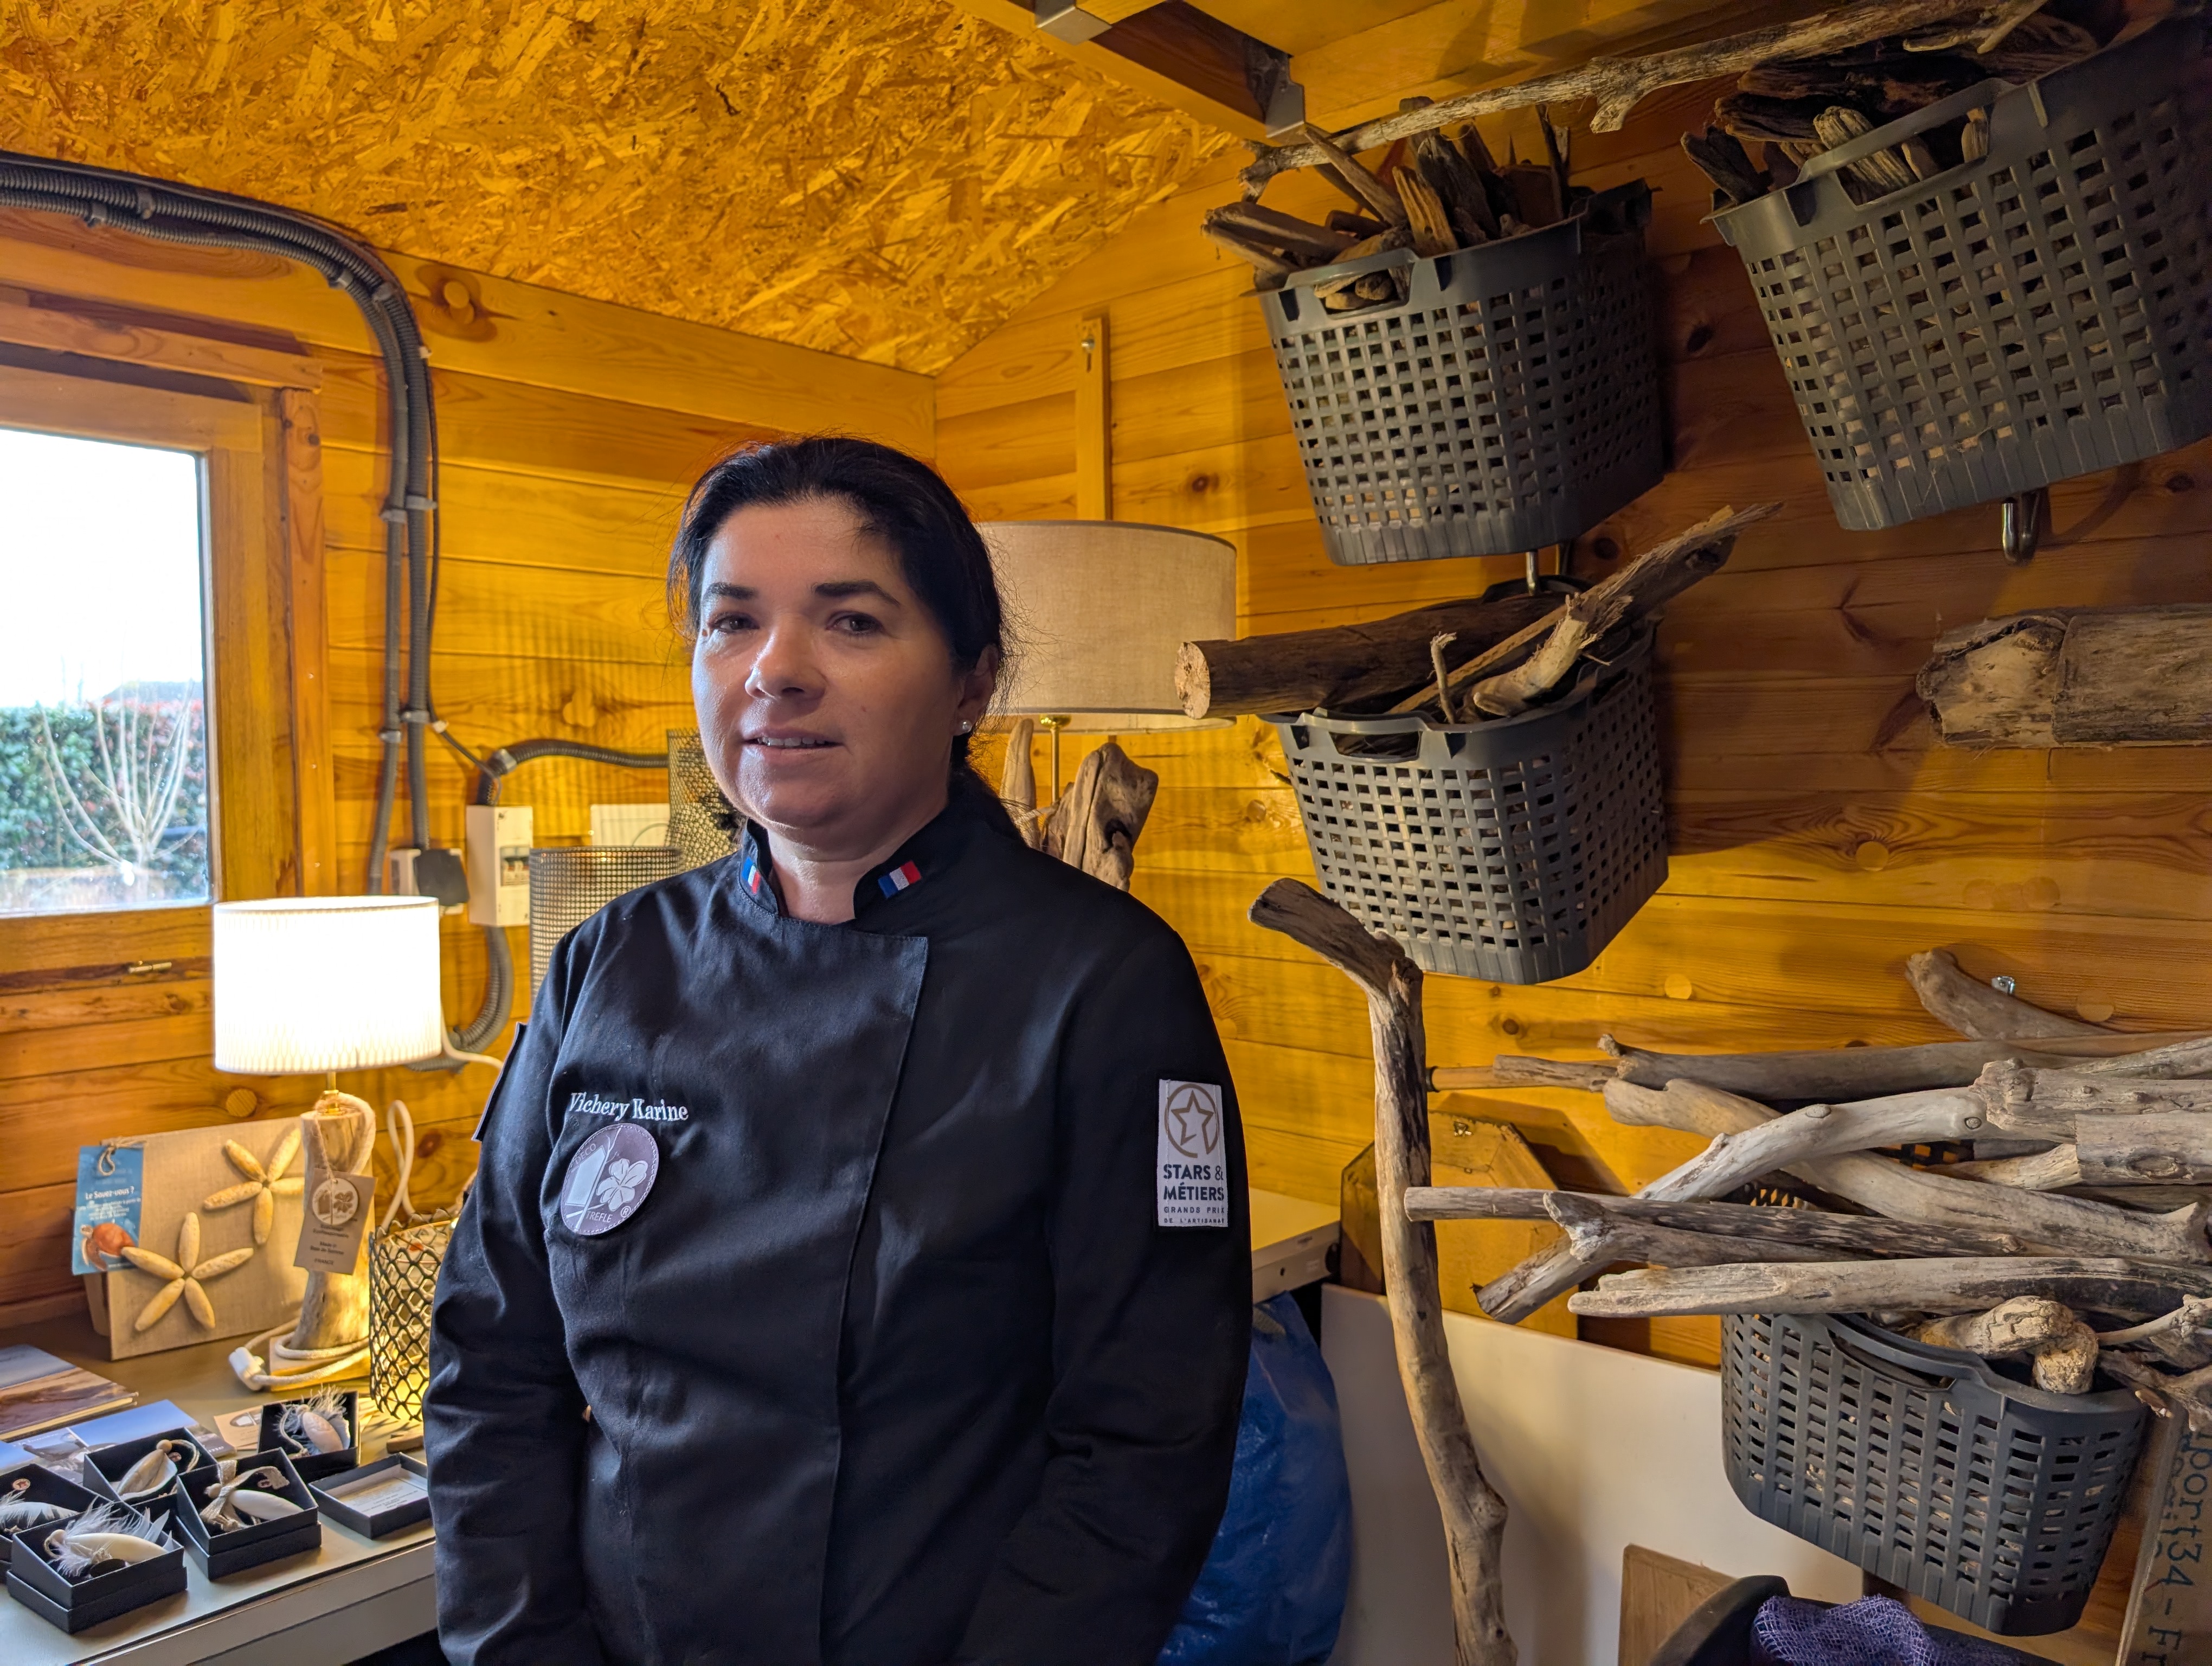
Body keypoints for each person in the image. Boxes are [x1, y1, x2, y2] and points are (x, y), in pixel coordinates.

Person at [426, 437, 1252, 1666]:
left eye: (852, 623)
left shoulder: (1104, 985)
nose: (775, 672)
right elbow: (491, 1361)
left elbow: (1143, 1450)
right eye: (732, 622)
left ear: (973, 681)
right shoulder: (611, 963)